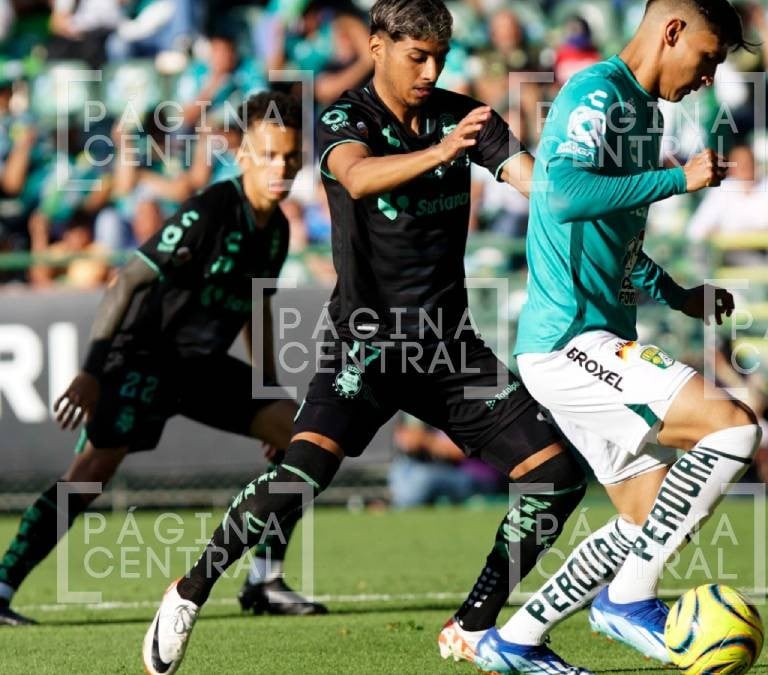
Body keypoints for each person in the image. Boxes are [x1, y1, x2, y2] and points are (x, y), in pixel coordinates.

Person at [141, 3, 588, 673]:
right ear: (377, 47)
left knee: (556, 475)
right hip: (366, 346)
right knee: (302, 471)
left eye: (440, 56)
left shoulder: (464, 118)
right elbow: (356, 174)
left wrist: (623, 189)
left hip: (448, 348)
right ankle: (190, 587)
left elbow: (542, 189)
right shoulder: (345, 120)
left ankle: (472, 622)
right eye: (418, 57)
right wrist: (439, 153)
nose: (431, 71)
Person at [474, 0, 757, 671]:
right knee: (732, 428)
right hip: (573, 340)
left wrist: (676, 294)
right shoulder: (597, 92)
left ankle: (516, 639)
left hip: (582, 340)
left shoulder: (642, 110)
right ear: (673, 31)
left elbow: (612, 237)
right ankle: (627, 600)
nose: (708, 77)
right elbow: (561, 191)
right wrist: (677, 179)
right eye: (708, 58)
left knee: (647, 513)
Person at [0, 92, 322, 626]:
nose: (281, 168)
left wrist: (269, 389)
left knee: (301, 439)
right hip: (144, 362)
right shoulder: (213, 210)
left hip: (201, 369)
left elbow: (257, 310)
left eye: (290, 157)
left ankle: (264, 579)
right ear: (243, 155)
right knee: (87, 477)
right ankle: (3, 584)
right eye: (268, 155)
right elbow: (128, 279)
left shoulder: (278, 231)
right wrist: (91, 370)